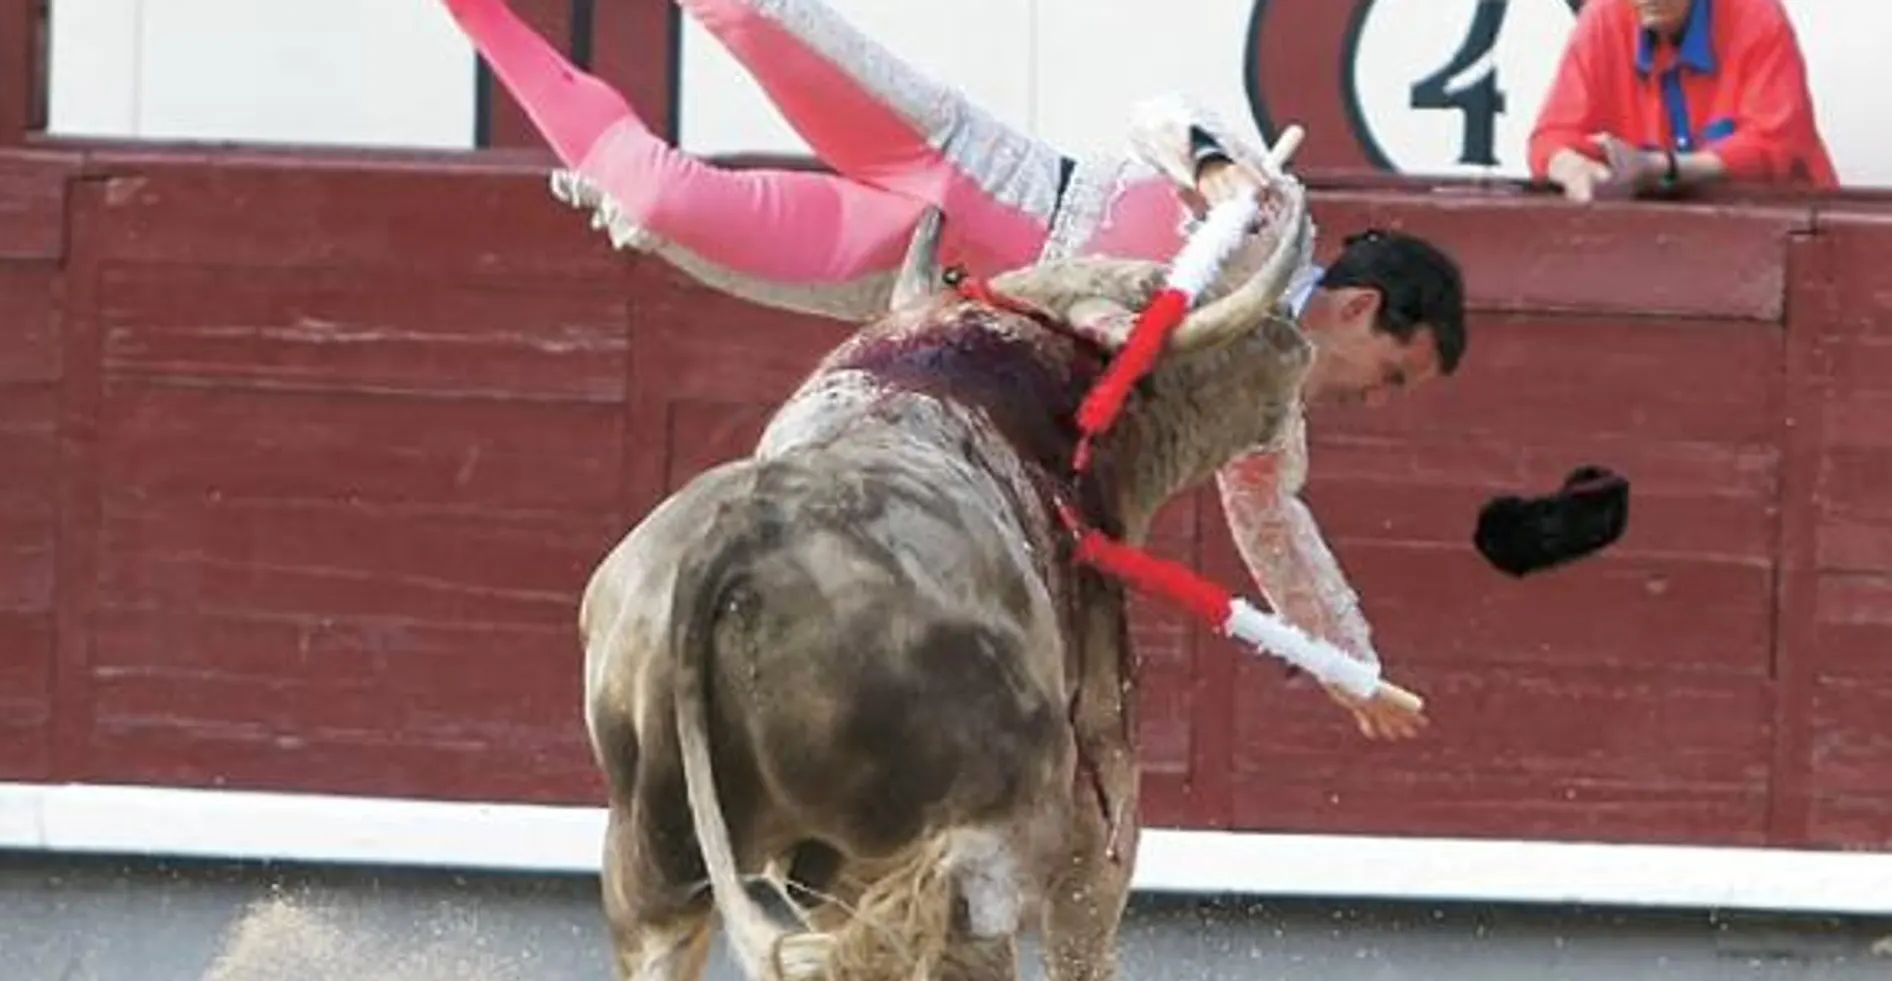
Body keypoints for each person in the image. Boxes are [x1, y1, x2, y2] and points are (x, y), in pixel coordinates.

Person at [440, 0, 1467, 739]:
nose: (1373, 400)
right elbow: (1160, 112)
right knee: (745, 11)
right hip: (957, 166)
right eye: (1391, 373)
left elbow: (1282, 542)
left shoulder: (1261, 415)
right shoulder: (1272, 219)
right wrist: (1215, 166)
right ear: (1360, 306)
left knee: (659, 206)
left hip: (920, 275)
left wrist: (1348, 666)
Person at [1528, 0, 1837, 203]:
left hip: (1782, 236)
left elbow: (1778, 145)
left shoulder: (1756, 13)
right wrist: (1571, 168)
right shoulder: (1603, 17)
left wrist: (1662, 168)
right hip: (1659, 249)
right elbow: (1550, 138)